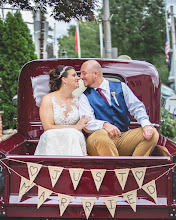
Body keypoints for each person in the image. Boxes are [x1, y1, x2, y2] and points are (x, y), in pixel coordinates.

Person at [79, 60, 159, 156]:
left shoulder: (121, 87)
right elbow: (87, 122)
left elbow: (137, 107)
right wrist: (105, 125)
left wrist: (145, 124)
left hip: (123, 137)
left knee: (152, 133)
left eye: (84, 73)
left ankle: (134, 168)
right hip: (98, 140)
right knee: (101, 136)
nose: (81, 77)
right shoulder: (84, 96)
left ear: (95, 74)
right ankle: (115, 169)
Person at [34, 65, 90, 156]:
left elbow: (86, 120)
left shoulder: (79, 100)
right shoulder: (48, 99)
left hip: (73, 144)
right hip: (53, 143)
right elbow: (47, 127)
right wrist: (75, 128)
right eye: (74, 75)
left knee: (75, 135)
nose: (78, 78)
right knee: (50, 134)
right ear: (64, 80)